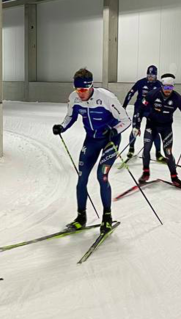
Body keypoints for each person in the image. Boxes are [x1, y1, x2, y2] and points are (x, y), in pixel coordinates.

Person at [52, 68, 131, 235]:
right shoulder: (74, 98)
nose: (80, 93)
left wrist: (114, 131)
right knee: (82, 179)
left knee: (102, 177)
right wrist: (62, 127)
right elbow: (70, 117)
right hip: (91, 140)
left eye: (83, 90)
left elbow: (125, 120)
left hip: (110, 140)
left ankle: (107, 217)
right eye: (77, 89)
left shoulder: (106, 98)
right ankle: (81, 217)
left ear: (90, 87)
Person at [139, 73, 181, 188]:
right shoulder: (152, 94)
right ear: (162, 86)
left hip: (166, 127)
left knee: (168, 153)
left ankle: (174, 177)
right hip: (151, 125)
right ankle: (145, 173)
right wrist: (136, 125)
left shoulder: (178, 98)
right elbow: (141, 108)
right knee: (147, 148)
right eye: (166, 87)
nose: (168, 90)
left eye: (170, 88)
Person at [122, 65, 162, 160]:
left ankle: (158, 152)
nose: (150, 78)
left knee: (155, 132)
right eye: (148, 75)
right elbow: (130, 93)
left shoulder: (159, 85)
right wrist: (124, 105)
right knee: (135, 129)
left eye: (152, 76)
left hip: (151, 111)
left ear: (156, 76)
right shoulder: (141, 82)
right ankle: (131, 148)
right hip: (139, 109)